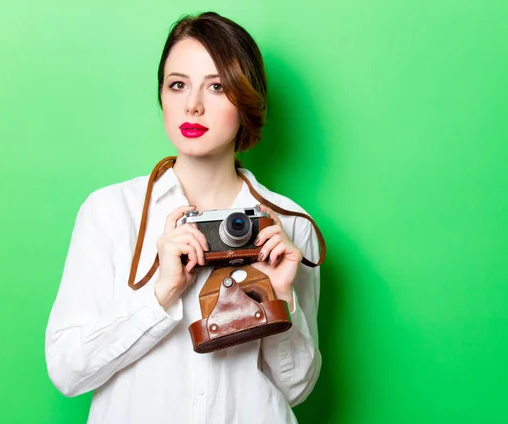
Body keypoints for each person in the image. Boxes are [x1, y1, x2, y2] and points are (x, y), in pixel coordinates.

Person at [45, 11, 321, 424]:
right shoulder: (110, 212)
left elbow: (296, 389)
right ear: (161, 95)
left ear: (245, 99)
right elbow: (67, 371)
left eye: (216, 87)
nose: (193, 105)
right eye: (178, 85)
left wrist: (280, 300)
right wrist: (159, 296)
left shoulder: (289, 225)